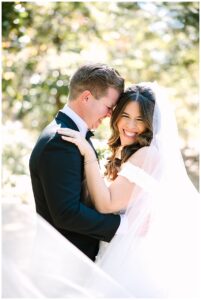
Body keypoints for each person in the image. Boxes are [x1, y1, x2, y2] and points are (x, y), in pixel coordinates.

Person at [58, 82, 201, 297]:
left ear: (151, 124)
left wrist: (88, 155)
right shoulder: (130, 152)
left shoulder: (147, 155)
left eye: (140, 119)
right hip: (117, 250)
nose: (131, 125)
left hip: (132, 258)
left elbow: (107, 205)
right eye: (125, 115)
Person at [29, 63, 125, 261]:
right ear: (87, 97)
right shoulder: (60, 142)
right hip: (63, 264)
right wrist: (121, 225)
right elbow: (67, 214)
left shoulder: (71, 135)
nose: (110, 115)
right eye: (108, 107)